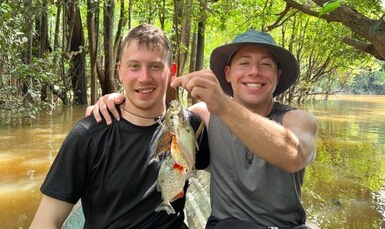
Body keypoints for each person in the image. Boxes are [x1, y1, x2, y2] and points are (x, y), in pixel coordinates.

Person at [89, 29, 318, 229]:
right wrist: (118, 99)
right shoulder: (206, 115)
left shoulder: (298, 120)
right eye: (244, 63)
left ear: (277, 76)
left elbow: (293, 156)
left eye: (265, 64)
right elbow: (163, 111)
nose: (254, 71)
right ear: (228, 73)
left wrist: (224, 105)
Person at [29, 24, 207, 229]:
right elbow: (47, 220)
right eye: (134, 66)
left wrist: (215, 103)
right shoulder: (89, 134)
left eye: (155, 66)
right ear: (120, 70)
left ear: (172, 72)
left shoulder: (189, 127)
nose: (144, 77)